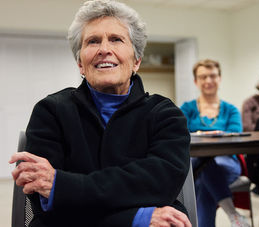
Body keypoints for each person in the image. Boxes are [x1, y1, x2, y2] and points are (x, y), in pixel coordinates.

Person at [8, 1, 192, 227]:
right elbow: (45, 202)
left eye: (116, 39)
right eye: (93, 41)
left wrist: (63, 186)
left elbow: (160, 184)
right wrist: (136, 218)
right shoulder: (51, 111)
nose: (104, 49)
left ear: (136, 60)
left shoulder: (165, 114)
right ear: (80, 64)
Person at [180, 59, 250, 227]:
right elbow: (179, 135)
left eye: (212, 76)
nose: (208, 81)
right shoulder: (187, 108)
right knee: (204, 171)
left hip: (227, 162)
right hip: (194, 163)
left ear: (219, 78)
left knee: (205, 173)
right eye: (203, 77)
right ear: (196, 81)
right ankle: (233, 215)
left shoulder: (231, 110)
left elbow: (235, 138)